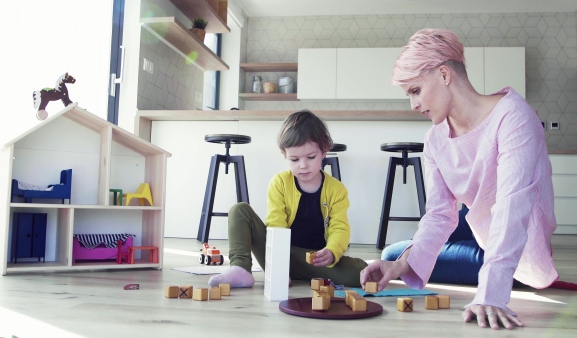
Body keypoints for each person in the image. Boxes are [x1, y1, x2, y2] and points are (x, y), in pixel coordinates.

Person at [360, 28, 558, 330]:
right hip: (479, 225)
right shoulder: (435, 139)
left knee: (416, 254)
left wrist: (490, 295)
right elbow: (439, 215)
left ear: (443, 75)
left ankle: (500, 276)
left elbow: (511, 208)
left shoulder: (514, 118)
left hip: (520, 243)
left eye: (415, 91)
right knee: (392, 255)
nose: (413, 105)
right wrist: (400, 265)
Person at [208, 109, 367, 289]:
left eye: (311, 157)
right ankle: (240, 268)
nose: (303, 165)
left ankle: (296, 272)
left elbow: (340, 227)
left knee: (362, 271)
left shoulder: (337, 189)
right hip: (280, 255)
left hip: (315, 260)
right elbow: (276, 224)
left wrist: (332, 251)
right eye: (294, 159)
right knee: (239, 210)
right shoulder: (280, 183)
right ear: (284, 155)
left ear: (324, 151)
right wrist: (278, 267)